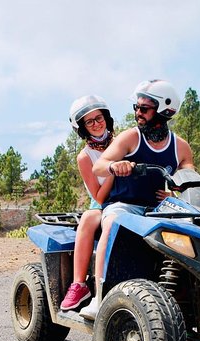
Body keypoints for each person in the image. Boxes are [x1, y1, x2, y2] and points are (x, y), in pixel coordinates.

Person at [78, 79, 195, 320]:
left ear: (165, 111)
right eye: (136, 107)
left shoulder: (180, 147)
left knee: (194, 227)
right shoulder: (130, 137)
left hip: (160, 207)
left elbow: (189, 178)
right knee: (112, 223)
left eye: (144, 108)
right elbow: (99, 166)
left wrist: (182, 189)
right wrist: (114, 166)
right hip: (124, 206)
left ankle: (188, 295)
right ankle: (99, 297)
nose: (137, 113)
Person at [59, 95, 115, 311]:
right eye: (89, 121)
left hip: (132, 197)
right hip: (103, 203)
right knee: (89, 219)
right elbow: (99, 196)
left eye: (98, 117)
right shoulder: (85, 156)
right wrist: (114, 171)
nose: (96, 124)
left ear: (106, 118)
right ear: (82, 127)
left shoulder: (123, 142)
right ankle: (79, 284)